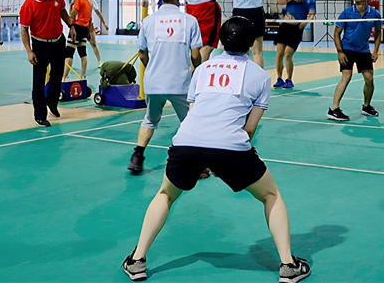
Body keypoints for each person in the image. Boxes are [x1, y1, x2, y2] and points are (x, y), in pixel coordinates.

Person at [121, 17, 311, 283]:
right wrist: (220, 161)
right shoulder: (260, 76)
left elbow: (194, 113)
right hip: (230, 147)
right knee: (270, 195)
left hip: (187, 142)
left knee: (165, 195)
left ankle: (137, 261)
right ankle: (288, 265)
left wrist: (206, 161)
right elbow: (249, 129)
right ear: (251, 43)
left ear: (221, 41)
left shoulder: (202, 69)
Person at [128, 0, 203, 175]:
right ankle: (198, 165)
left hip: (154, 83)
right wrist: (198, 71)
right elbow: (195, 54)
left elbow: (142, 53)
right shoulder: (190, 21)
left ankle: (137, 156)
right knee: (190, 122)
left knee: (150, 119)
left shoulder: (148, 21)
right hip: (180, 83)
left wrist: (152, 68)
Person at [19, 0, 73, 127]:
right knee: (39, 80)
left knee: (57, 75)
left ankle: (52, 103)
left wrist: (71, 26)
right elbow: (24, 30)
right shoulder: (28, 6)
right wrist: (29, 51)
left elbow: (62, 11)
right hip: (40, 44)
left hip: (58, 41)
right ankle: (40, 115)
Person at [327, 0, 383, 121]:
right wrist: (340, 52)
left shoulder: (375, 14)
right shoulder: (347, 12)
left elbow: (378, 33)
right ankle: (334, 109)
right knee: (346, 76)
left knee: (369, 78)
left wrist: (376, 50)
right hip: (347, 48)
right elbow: (336, 33)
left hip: (364, 49)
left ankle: (366, 106)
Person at [274, 0, 318, 89]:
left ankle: (289, 79)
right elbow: (279, 1)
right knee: (279, 53)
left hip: (296, 29)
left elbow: (311, 14)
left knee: (288, 54)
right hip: (285, 26)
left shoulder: (310, 0)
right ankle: (279, 78)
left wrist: (306, 22)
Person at [63, 0, 91, 81]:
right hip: (85, 29)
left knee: (69, 52)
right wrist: (89, 32)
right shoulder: (88, 2)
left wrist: (71, 6)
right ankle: (83, 75)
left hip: (76, 28)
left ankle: (64, 76)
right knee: (82, 52)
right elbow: (90, 18)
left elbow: (71, 15)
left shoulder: (78, 1)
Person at [84, 0, 108, 68]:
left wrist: (104, 23)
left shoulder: (91, 0)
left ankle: (99, 61)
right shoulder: (76, 0)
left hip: (89, 25)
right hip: (79, 25)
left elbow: (98, 12)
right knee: (75, 45)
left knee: (93, 43)